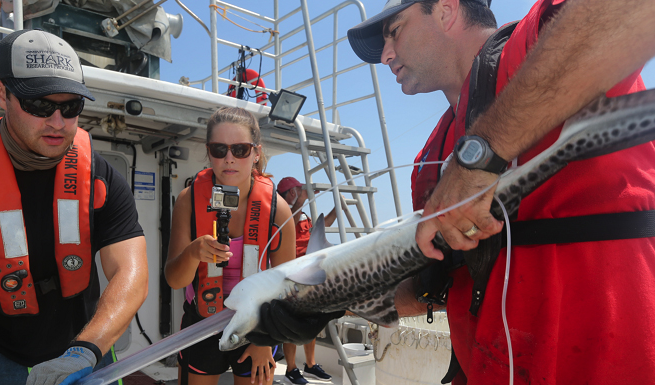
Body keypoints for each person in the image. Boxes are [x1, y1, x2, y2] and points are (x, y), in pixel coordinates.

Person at [247, 0, 655, 384]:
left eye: (395, 32)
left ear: (445, 9)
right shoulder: (430, 161)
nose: (386, 55)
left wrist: (480, 156)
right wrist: (332, 300)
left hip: (611, 362)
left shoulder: (531, 47)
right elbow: (440, 287)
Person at [0, 30, 149, 385]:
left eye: (71, 107)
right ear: (2, 93)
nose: (57, 121)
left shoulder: (100, 176)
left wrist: (85, 351)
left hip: (84, 347)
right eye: (39, 105)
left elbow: (132, 272)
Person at [164, 107, 297, 385]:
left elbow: (288, 289)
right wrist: (192, 253)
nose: (229, 159)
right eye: (219, 149)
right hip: (201, 322)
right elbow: (175, 280)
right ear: (208, 151)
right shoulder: (188, 200)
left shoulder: (278, 210)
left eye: (240, 149)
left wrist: (265, 341)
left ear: (256, 153)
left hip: (258, 325)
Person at [276, 177, 337, 384]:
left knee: (311, 321)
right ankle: (291, 369)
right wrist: (301, 200)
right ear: (291, 193)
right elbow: (288, 227)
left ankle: (310, 365)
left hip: (309, 275)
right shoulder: (282, 214)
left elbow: (324, 225)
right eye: (299, 190)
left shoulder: (303, 216)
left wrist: (339, 207)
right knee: (290, 324)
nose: (303, 192)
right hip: (291, 277)